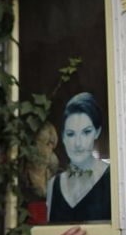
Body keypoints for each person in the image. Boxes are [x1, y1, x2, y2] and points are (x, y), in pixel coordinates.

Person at [47, 92, 111, 223]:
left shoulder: (112, 178)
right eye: (70, 134)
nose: (78, 143)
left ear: (97, 132)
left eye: (86, 132)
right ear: (63, 137)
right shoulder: (54, 184)